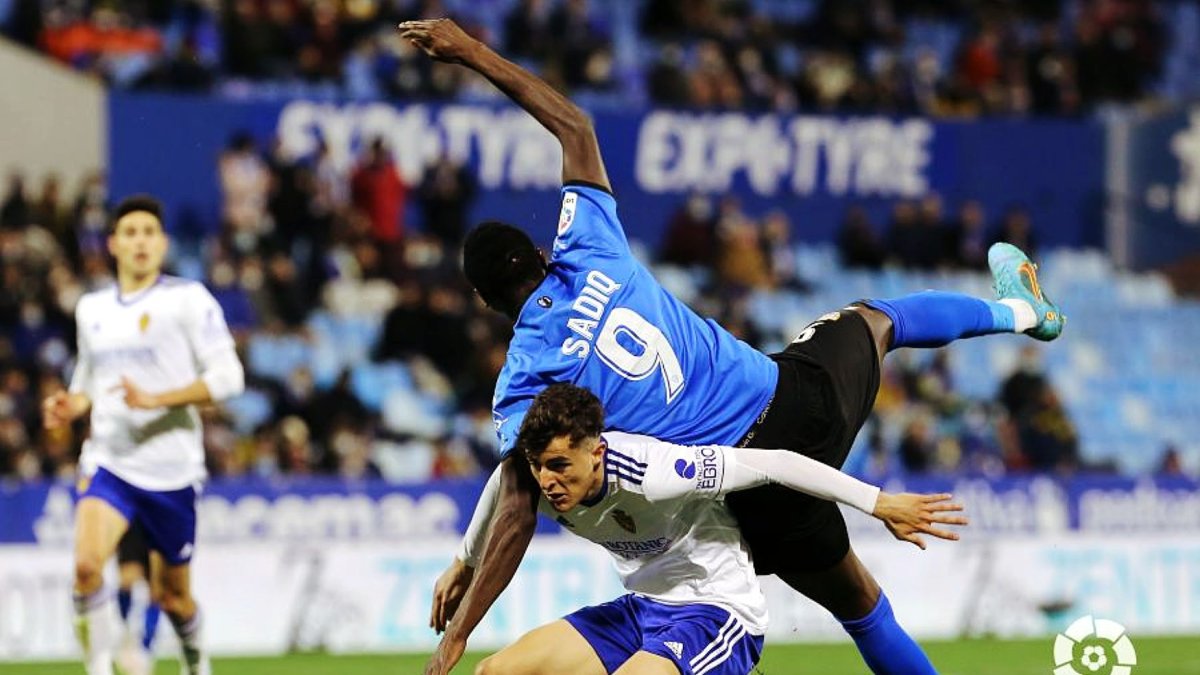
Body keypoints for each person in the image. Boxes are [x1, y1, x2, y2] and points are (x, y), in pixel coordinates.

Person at [398, 18, 1064, 675]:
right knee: (875, 318)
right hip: (788, 410)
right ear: (541, 252)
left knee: (862, 606)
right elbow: (575, 125)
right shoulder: (590, 247)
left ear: (488, 304)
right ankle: (1018, 308)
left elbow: (516, 496)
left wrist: (463, 574)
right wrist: (469, 52)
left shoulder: (523, 380)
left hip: (741, 498)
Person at [450, 384, 967, 675]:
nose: (547, 479)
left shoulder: (656, 472)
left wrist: (877, 502)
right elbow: (503, 483)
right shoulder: (536, 477)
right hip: (642, 609)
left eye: (560, 464)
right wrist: (463, 562)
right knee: (494, 673)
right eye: (540, 465)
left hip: (715, 610)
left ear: (598, 451)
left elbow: (778, 463)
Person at [42, 195, 245, 675]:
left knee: (173, 597)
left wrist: (159, 399)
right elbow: (89, 381)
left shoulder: (188, 300)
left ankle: (196, 661)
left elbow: (229, 378)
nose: (140, 241)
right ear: (112, 243)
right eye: (129, 232)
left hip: (171, 470)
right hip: (108, 462)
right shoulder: (91, 309)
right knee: (87, 568)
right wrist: (73, 404)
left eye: (149, 232)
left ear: (163, 243)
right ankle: (98, 669)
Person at [114, 525, 162, 675]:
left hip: (159, 519)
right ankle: (124, 632)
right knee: (127, 579)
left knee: (157, 589)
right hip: (133, 518)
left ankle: (146, 648)